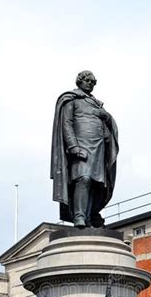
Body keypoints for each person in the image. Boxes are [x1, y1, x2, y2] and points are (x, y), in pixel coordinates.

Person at [51, 70, 119, 228]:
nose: (90, 83)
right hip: (82, 145)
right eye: (87, 80)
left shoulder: (97, 103)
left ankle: (90, 216)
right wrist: (73, 146)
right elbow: (66, 123)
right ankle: (79, 216)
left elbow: (110, 123)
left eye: (92, 81)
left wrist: (106, 116)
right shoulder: (71, 99)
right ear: (79, 81)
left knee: (97, 183)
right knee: (83, 178)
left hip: (99, 146)